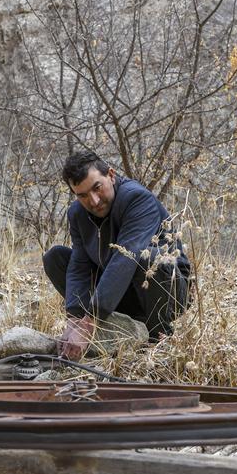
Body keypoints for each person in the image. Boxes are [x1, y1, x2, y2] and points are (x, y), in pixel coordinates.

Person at [43, 150, 191, 360]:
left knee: (149, 258)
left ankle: (157, 338)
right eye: (82, 195)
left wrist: (89, 323)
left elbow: (126, 257)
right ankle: (110, 326)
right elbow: (79, 265)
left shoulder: (137, 199)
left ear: (111, 175)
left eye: (97, 188)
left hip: (166, 292)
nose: (93, 201)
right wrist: (74, 320)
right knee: (55, 257)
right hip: (118, 294)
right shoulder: (77, 214)